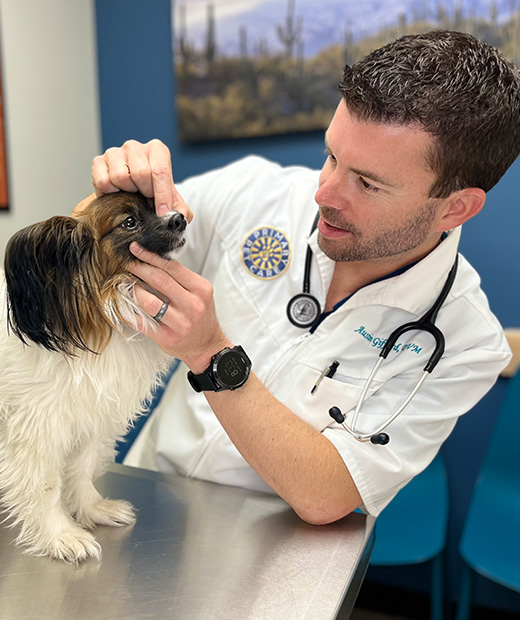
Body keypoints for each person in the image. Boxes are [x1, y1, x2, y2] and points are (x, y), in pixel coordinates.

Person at [85, 30, 520, 524]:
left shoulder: (465, 344)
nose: (325, 193)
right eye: (332, 156)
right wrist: (118, 195)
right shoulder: (254, 193)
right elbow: (93, 247)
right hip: (143, 495)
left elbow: (326, 494)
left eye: (368, 183)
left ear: (456, 208)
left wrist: (210, 355)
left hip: (271, 555)